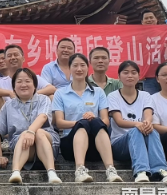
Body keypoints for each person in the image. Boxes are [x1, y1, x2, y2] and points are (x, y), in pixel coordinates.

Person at [52, 53, 122, 183]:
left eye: (82, 65)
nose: (79, 69)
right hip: (70, 145)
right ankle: (79, 170)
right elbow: (59, 122)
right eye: (75, 65)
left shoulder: (98, 92)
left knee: (97, 121)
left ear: (87, 68)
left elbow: (106, 121)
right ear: (69, 68)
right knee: (83, 124)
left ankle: (111, 170)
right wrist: (81, 122)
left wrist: (93, 118)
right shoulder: (60, 93)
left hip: (95, 146)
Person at [108, 61, 167, 183]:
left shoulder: (145, 95)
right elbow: (119, 121)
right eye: (126, 72)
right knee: (135, 131)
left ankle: (162, 170)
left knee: (152, 131)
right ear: (119, 76)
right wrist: (137, 124)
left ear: (139, 76)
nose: (130, 76)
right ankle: (141, 171)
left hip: (143, 139)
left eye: (133, 73)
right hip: (120, 144)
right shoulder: (113, 96)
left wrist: (147, 123)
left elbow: (148, 116)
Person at [0, 68, 61, 184]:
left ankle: (51, 172)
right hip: (23, 148)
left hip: (46, 142)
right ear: (14, 87)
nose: (23, 85)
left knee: (39, 132)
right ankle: (16, 172)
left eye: (27, 81)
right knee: (23, 134)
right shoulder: (9, 105)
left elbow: (43, 116)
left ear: (35, 85)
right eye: (19, 82)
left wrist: (31, 131)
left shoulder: (43, 99)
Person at [0, 45, 54, 121]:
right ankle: (2, 127)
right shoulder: (0, 81)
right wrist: (10, 93)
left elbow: (52, 88)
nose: (13, 58)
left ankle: (47, 126)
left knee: (51, 97)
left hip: (34, 114)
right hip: (11, 117)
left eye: (16, 55)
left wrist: (33, 94)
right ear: (5, 61)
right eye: (9, 56)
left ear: (23, 59)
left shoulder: (32, 77)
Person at [139, 10, 167, 94]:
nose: (149, 20)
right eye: (146, 18)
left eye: (151, 17)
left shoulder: (165, 33)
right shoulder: (138, 37)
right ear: (142, 22)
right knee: (152, 100)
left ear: (156, 20)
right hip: (149, 77)